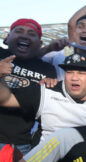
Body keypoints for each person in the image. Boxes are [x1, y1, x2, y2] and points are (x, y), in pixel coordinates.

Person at [0, 54, 86, 145]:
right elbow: (6, 99)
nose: (74, 77)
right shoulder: (46, 91)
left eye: (81, 73)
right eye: (69, 72)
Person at [0, 19, 57, 150]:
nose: (25, 35)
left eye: (32, 33)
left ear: (40, 43)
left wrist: (49, 87)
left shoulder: (47, 70)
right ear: (8, 38)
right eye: (19, 31)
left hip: (22, 144)